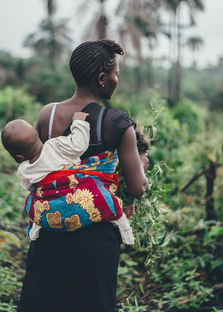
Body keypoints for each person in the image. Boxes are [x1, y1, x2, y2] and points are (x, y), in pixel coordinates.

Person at [17, 39, 148, 312]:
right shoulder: (118, 123)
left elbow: (42, 166)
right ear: (102, 78)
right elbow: (136, 189)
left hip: (50, 231)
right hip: (94, 241)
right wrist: (142, 167)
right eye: (116, 74)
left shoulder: (47, 115)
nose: (116, 80)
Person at [1, 112, 134, 244]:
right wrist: (78, 122)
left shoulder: (23, 170)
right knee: (102, 197)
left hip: (51, 207)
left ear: (19, 157)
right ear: (37, 135)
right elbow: (79, 145)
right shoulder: (55, 145)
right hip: (75, 193)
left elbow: (30, 187)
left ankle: (35, 229)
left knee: (32, 201)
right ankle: (125, 230)